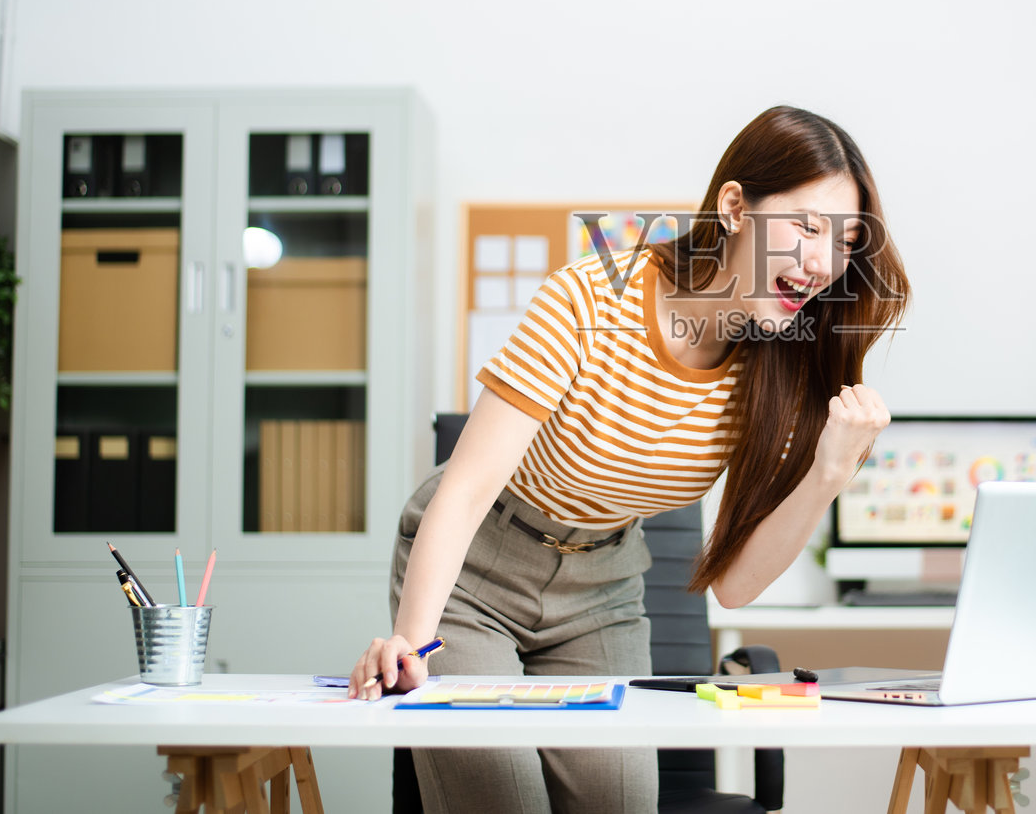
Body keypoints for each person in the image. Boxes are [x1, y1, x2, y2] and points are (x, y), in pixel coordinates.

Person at [350, 105, 911, 814]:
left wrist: (830, 473)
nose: (823, 263)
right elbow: (464, 490)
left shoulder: (779, 368)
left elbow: (734, 587)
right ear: (736, 207)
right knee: (502, 798)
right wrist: (412, 642)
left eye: (846, 242)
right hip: (477, 570)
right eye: (805, 227)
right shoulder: (592, 299)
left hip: (602, 587)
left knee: (617, 805)